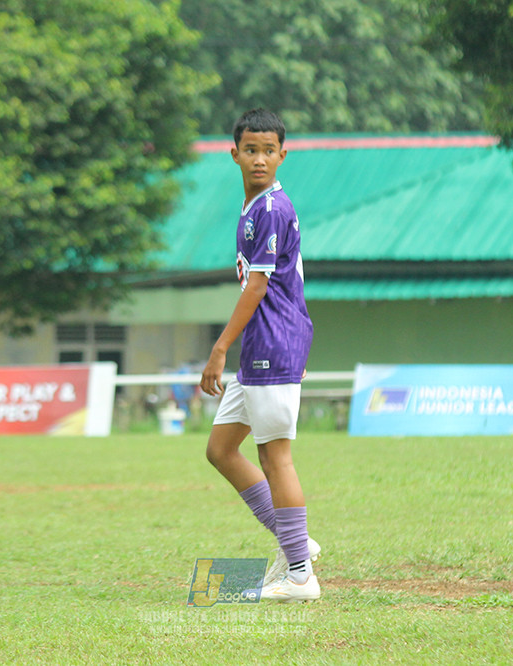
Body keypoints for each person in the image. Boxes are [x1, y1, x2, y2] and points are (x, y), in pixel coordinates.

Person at [200, 108, 320, 603]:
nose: (259, 158)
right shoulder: (252, 207)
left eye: (269, 150)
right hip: (264, 346)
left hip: (272, 343)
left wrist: (219, 347)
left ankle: (299, 578)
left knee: (275, 457)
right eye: (251, 149)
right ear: (235, 154)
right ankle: (299, 545)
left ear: (282, 155)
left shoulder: (271, 207)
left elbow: (258, 284)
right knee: (221, 450)